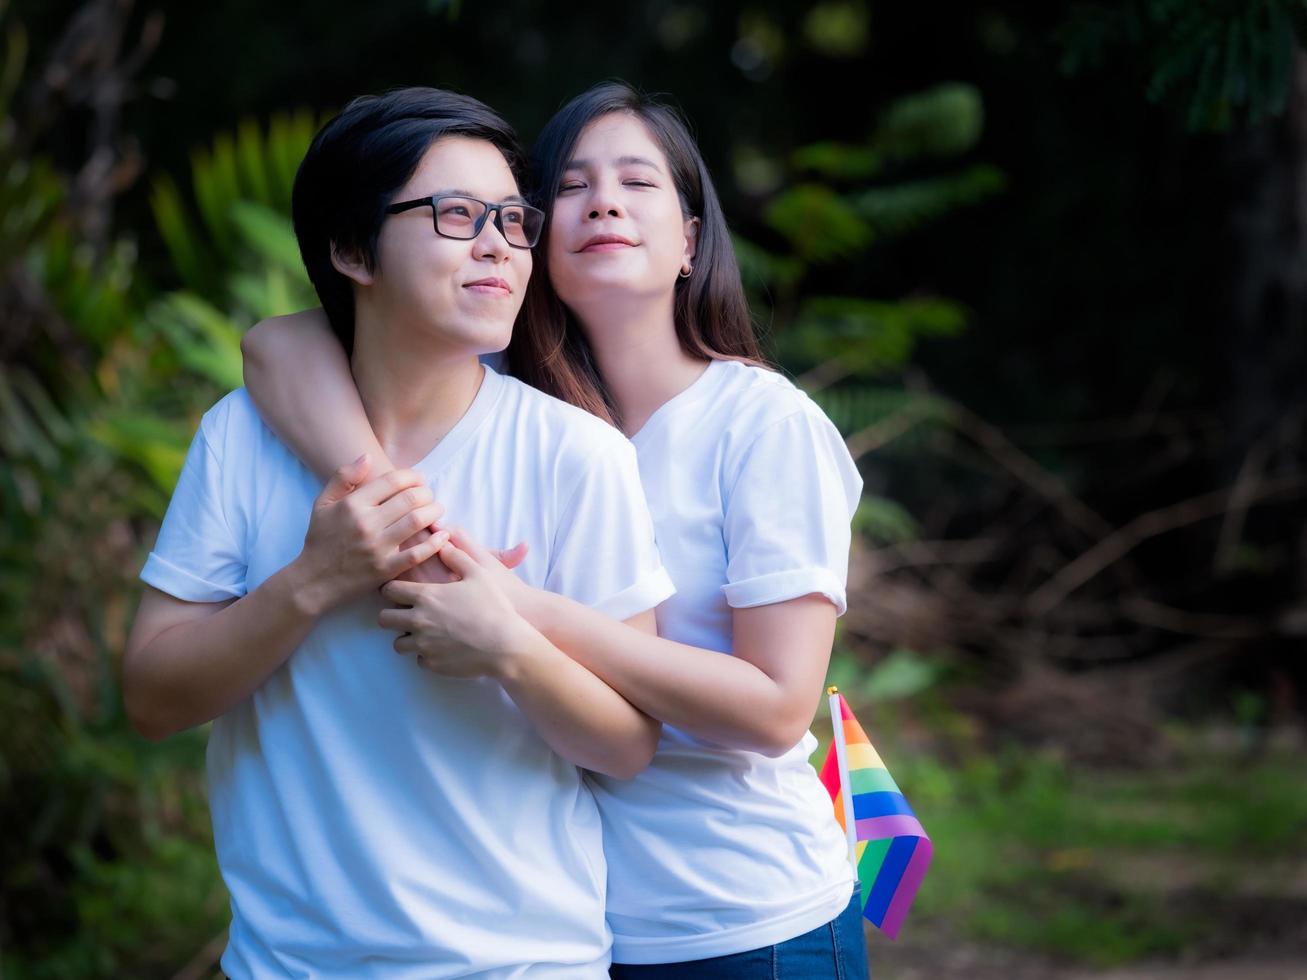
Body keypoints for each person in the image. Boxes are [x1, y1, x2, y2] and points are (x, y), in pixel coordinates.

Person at [242, 82, 869, 978]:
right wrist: (389, 511)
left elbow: (776, 708)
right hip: (571, 924)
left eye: (637, 182)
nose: (604, 200)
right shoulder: (510, 399)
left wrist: (518, 612)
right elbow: (279, 344)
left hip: (741, 917)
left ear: (691, 242)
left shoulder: (762, 424)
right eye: (571, 186)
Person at [123, 87, 677, 979]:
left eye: (512, 219)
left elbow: (628, 745)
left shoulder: (576, 455)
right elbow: (151, 699)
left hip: (522, 964)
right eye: (456, 215)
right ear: (351, 249)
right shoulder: (242, 434)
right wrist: (311, 580)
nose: (498, 243)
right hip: (286, 964)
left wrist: (512, 650)